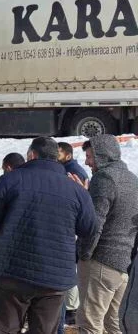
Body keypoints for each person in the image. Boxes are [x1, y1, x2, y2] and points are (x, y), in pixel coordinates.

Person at [0, 137, 96, 333]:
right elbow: (89, 229)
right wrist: (85, 196)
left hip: (10, 270)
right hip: (54, 278)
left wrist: (1, 244)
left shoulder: (10, 179)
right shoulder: (76, 190)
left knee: (4, 328)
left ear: (32, 155)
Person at [75, 135, 138, 334]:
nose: (86, 161)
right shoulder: (132, 178)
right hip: (123, 265)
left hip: (101, 262)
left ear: (103, 155)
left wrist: (84, 254)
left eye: (90, 156)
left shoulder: (104, 178)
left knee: (90, 323)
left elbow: (95, 223)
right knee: (114, 324)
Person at [57, 142, 88, 330]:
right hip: (71, 228)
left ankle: (71, 310)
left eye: (58, 153)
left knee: (68, 270)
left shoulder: (72, 172)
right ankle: (70, 309)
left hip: (71, 229)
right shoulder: (67, 169)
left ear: (67, 155)